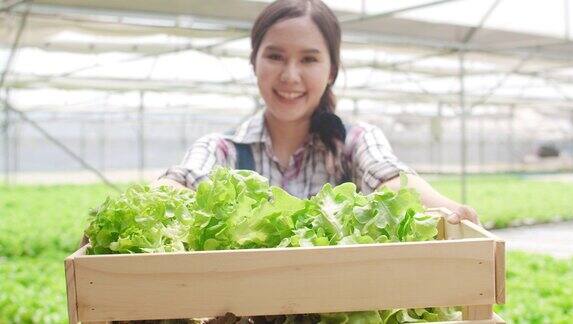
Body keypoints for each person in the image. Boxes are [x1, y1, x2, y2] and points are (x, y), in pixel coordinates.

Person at [155, 0, 479, 226]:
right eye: (275, 56)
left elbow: (389, 178)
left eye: (309, 60)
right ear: (254, 62)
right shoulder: (222, 149)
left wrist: (450, 209)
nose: (290, 76)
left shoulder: (353, 143)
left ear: (331, 72)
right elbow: (182, 182)